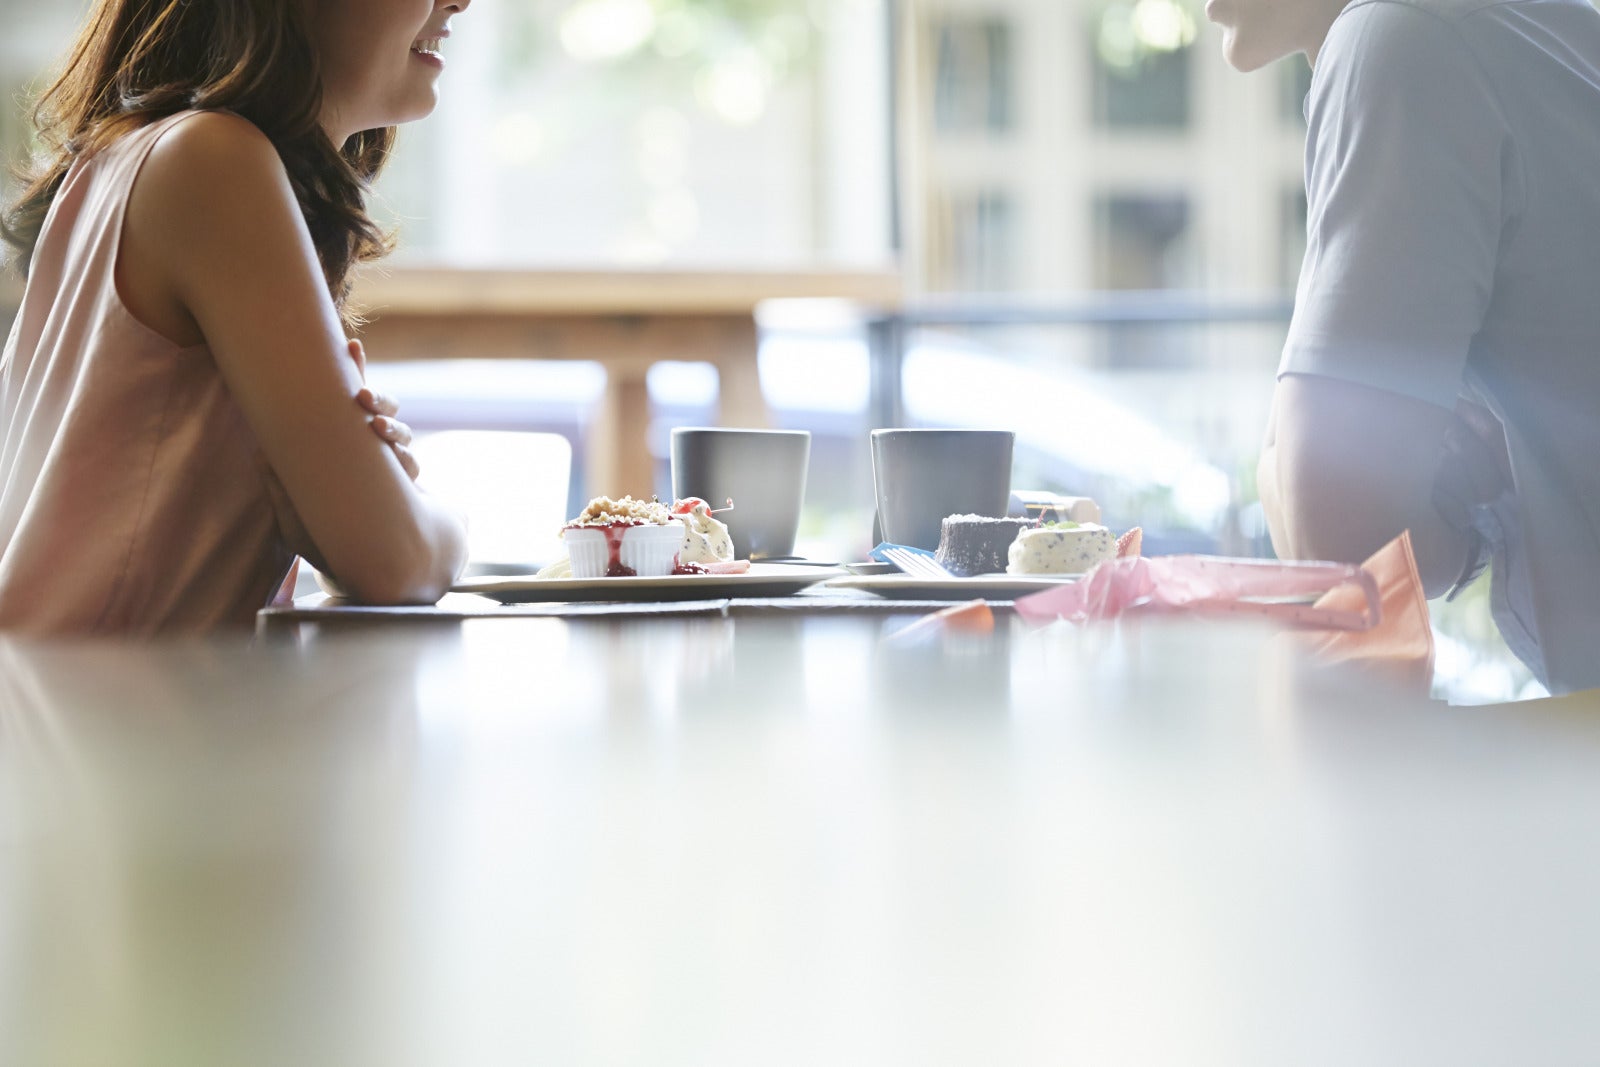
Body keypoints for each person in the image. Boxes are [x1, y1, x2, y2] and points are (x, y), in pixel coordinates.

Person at [0, 0, 471, 633]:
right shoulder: (211, 159)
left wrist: (354, 502)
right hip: (102, 724)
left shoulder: (128, 155)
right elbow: (398, 559)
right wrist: (436, 521)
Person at [1207, 0, 1600, 693]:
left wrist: (1282, 465)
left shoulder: (1399, 42)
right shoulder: (1539, 26)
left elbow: (1336, 561)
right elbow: (1414, 547)